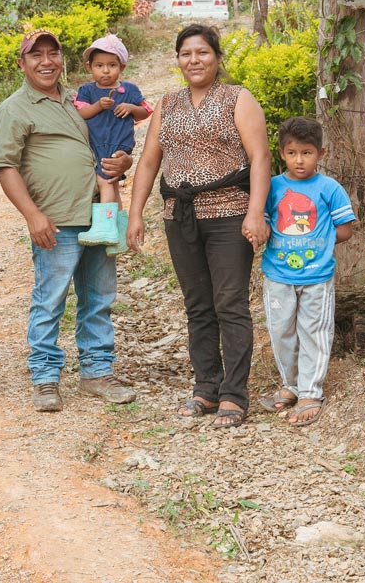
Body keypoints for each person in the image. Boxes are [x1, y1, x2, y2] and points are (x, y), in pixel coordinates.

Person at [127, 24, 271, 429]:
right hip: (181, 217)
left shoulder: (238, 98)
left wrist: (255, 211)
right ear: (178, 60)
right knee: (198, 306)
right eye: (186, 53)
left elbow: (260, 157)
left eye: (203, 52)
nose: (194, 60)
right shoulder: (168, 104)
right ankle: (206, 388)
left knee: (231, 304)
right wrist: (135, 212)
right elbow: (150, 162)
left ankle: (234, 395)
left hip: (229, 214)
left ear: (217, 58)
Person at [0, 28, 138, 413]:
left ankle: (97, 372)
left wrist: (124, 162)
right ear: (22, 63)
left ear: (62, 59)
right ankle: (44, 377)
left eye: (52, 53)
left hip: (98, 212)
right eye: (35, 55)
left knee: (99, 297)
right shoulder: (15, 108)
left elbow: (106, 145)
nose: (45, 61)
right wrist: (32, 215)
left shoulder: (77, 102)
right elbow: (5, 166)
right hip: (55, 219)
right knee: (51, 299)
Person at [256, 117, 355, 428]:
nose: (299, 160)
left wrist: (319, 243)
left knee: (313, 332)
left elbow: (346, 229)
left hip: (317, 277)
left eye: (307, 153)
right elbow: (264, 222)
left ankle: (310, 392)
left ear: (321, 154)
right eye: (293, 153)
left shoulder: (329, 188)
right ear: (282, 153)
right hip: (278, 275)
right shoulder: (271, 187)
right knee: (282, 332)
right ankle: (291, 385)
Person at [73, 33, 150, 250]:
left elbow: (145, 111)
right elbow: (82, 114)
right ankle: (118, 232)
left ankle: (104, 227)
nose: (105, 70)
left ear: (121, 67)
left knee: (105, 181)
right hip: (96, 144)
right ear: (90, 68)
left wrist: (131, 108)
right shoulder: (87, 91)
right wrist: (98, 106)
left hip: (117, 145)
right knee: (113, 186)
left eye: (111, 65)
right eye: (99, 65)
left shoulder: (130, 90)